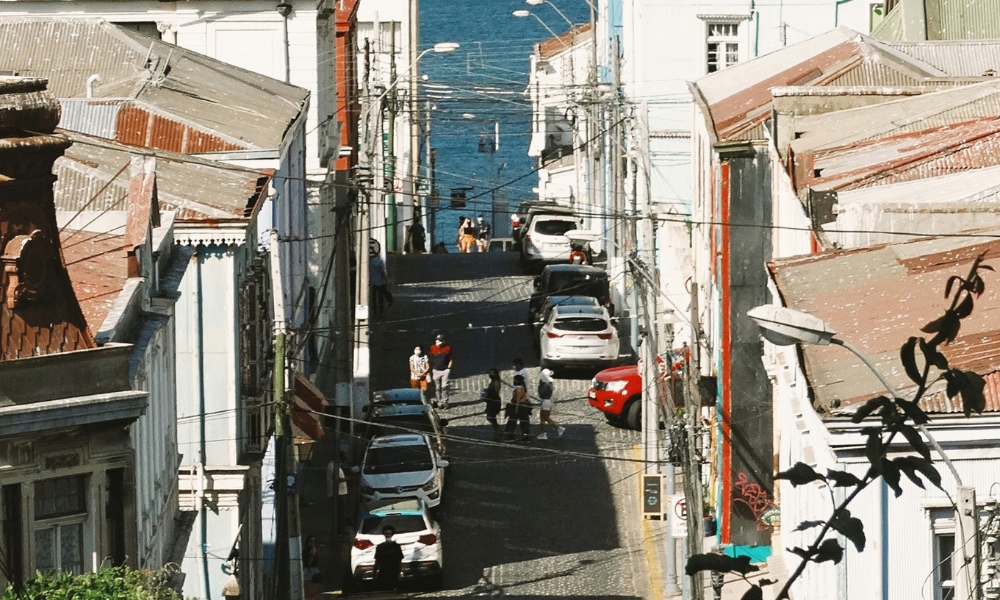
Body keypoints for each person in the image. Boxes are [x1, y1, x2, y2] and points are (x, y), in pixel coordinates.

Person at [536, 368, 565, 440]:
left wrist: (539, 386)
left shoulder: (545, 385)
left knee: (544, 418)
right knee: (545, 418)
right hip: (548, 402)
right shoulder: (549, 383)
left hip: (546, 402)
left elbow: (540, 394)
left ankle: (546, 432)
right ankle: (557, 428)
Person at [373, 526, 404, 590]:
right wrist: (374, 573)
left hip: (394, 572)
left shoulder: (396, 546)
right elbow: (377, 561)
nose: (387, 535)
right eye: (386, 533)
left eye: (389, 533)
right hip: (383, 572)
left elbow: (399, 561)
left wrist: (399, 573)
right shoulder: (380, 547)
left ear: (392, 534)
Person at [326, 454, 350, 535]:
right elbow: (338, 479)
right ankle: (340, 530)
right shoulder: (333, 467)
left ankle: (340, 529)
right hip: (337, 493)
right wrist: (350, 478)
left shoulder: (335, 466)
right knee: (340, 513)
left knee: (340, 512)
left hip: (340, 492)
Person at [504, 374, 532, 441]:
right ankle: (526, 436)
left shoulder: (518, 389)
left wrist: (516, 409)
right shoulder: (523, 387)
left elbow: (517, 400)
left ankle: (511, 435)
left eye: (514, 380)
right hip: (524, 406)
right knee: (524, 422)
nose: (513, 381)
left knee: (512, 421)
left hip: (519, 407)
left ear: (517, 381)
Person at [429, 334, 453, 409]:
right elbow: (430, 358)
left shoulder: (447, 348)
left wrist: (449, 368)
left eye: (439, 340)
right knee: (437, 387)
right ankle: (439, 402)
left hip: (445, 370)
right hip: (436, 370)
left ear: (443, 341)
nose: (437, 341)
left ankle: (445, 402)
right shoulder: (432, 348)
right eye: (436, 340)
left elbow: (451, 359)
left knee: (444, 387)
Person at [370, 249, 392, 316]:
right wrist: (386, 280)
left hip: (372, 282)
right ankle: (381, 310)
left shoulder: (369, 261)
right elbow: (383, 272)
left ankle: (374, 311)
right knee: (380, 297)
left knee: (373, 297)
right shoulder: (380, 261)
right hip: (380, 281)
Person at [483, 368, 503, 439]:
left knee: (491, 417)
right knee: (492, 418)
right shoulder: (493, 381)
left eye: (492, 373)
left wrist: (488, 395)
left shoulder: (496, 382)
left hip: (494, 402)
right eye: (490, 373)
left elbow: (495, 393)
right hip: (491, 402)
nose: (490, 374)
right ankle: (497, 431)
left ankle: (497, 432)